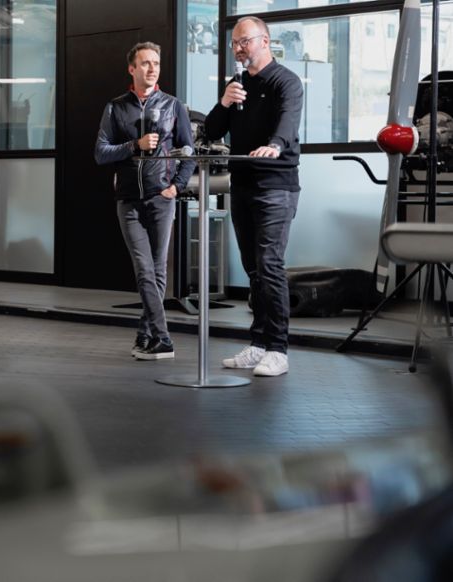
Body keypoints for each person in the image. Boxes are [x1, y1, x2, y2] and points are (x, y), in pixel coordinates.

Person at [204, 16, 303, 377]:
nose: (239, 48)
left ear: (265, 41)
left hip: (276, 186)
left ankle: (278, 349)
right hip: (242, 185)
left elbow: (288, 125)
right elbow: (213, 130)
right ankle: (259, 343)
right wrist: (225, 102)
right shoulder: (237, 84)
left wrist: (275, 146)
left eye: (244, 41)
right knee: (253, 268)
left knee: (269, 265)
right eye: (234, 43)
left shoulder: (286, 81)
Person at [95, 41, 196, 361]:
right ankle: (163, 337)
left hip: (161, 198)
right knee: (144, 268)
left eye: (156, 63)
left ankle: (145, 333)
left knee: (156, 270)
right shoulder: (116, 107)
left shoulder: (172, 105)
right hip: (128, 200)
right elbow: (100, 153)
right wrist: (134, 145)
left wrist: (177, 186)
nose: (152, 68)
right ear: (132, 68)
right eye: (145, 63)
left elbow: (189, 152)